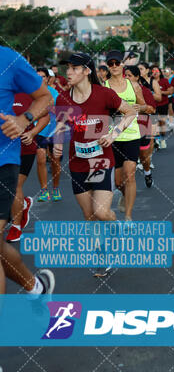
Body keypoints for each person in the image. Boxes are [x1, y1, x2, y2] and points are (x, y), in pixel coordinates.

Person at [53, 52, 140, 277]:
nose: (68, 72)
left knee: (101, 212)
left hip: (102, 160)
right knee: (89, 215)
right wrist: (57, 144)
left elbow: (131, 112)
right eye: (67, 68)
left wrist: (114, 133)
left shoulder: (104, 94)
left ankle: (115, 229)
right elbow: (61, 126)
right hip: (78, 162)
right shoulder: (63, 98)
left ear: (86, 71)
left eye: (74, 68)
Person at [0, 45, 55, 294]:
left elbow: (45, 97)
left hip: (3, 160)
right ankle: (35, 288)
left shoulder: (8, 59)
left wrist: (24, 119)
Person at [104, 51, 147, 220]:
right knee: (117, 181)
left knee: (130, 175)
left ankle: (128, 216)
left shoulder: (133, 85)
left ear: (122, 64)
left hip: (131, 134)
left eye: (117, 63)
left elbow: (145, 107)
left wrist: (137, 108)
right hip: (112, 137)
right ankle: (124, 195)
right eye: (110, 64)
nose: (114, 66)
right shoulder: (104, 86)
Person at [6, 94, 50, 242]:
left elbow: (45, 117)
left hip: (24, 149)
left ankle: (16, 227)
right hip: (3, 149)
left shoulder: (29, 95)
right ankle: (23, 204)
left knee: (14, 185)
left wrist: (32, 132)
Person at [124, 66, 157, 187]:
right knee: (128, 161)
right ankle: (128, 185)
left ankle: (147, 172)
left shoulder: (145, 91)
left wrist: (143, 108)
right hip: (126, 130)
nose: (127, 78)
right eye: (125, 75)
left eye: (130, 76)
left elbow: (152, 110)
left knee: (143, 157)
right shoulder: (120, 92)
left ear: (137, 77)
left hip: (142, 127)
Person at [35, 68, 62, 202]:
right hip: (38, 130)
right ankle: (44, 190)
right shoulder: (31, 93)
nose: (40, 79)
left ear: (48, 78)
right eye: (37, 76)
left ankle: (56, 188)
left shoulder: (54, 93)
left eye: (43, 77)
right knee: (40, 159)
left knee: (55, 160)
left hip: (53, 130)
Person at [151, 66, 170, 148]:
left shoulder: (164, 81)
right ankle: (157, 140)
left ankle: (162, 138)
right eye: (153, 71)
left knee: (162, 124)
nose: (155, 73)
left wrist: (161, 92)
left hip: (164, 104)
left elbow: (170, 91)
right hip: (153, 105)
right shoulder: (149, 81)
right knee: (156, 122)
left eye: (156, 71)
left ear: (160, 73)